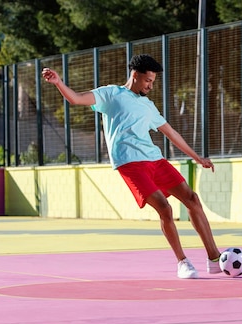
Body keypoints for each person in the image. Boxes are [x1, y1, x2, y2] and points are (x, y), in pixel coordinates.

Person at [42, 54, 222, 279]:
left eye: (153, 81)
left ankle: (214, 259)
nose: (150, 85)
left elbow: (170, 132)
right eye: (148, 80)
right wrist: (59, 83)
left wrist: (197, 157)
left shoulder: (147, 105)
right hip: (130, 163)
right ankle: (183, 262)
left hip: (154, 159)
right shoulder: (110, 94)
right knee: (164, 208)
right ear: (135, 75)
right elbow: (76, 99)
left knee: (192, 199)